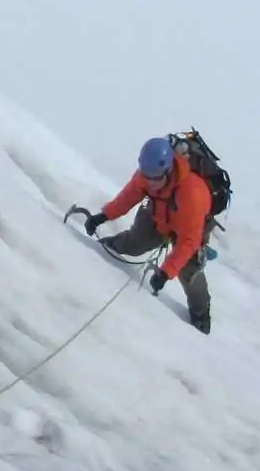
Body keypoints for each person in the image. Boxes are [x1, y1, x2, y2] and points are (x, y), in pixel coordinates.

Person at [80, 136, 214, 334]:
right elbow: (129, 196)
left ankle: (201, 315)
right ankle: (105, 248)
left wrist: (166, 272)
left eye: (156, 178)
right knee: (134, 244)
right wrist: (103, 215)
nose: (151, 183)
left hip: (190, 227)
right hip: (159, 215)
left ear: (169, 170)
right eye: (147, 176)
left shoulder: (192, 193)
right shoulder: (147, 174)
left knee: (189, 272)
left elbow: (189, 240)